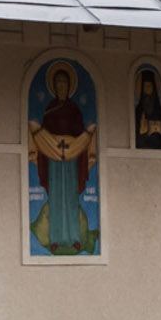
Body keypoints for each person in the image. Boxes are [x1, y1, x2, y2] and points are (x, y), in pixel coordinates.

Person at [28, 62, 98, 254]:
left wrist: (78, 143)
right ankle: (56, 239)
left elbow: (81, 140)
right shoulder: (49, 109)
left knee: (71, 200)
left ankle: (75, 238)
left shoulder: (75, 109)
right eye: (57, 83)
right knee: (57, 201)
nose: (60, 87)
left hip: (71, 164)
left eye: (64, 83)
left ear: (69, 87)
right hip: (54, 166)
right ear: (54, 86)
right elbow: (44, 141)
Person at [135, 68, 161, 149]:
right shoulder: (139, 110)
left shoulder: (159, 108)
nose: (147, 89)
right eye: (145, 86)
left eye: (149, 86)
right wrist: (143, 132)